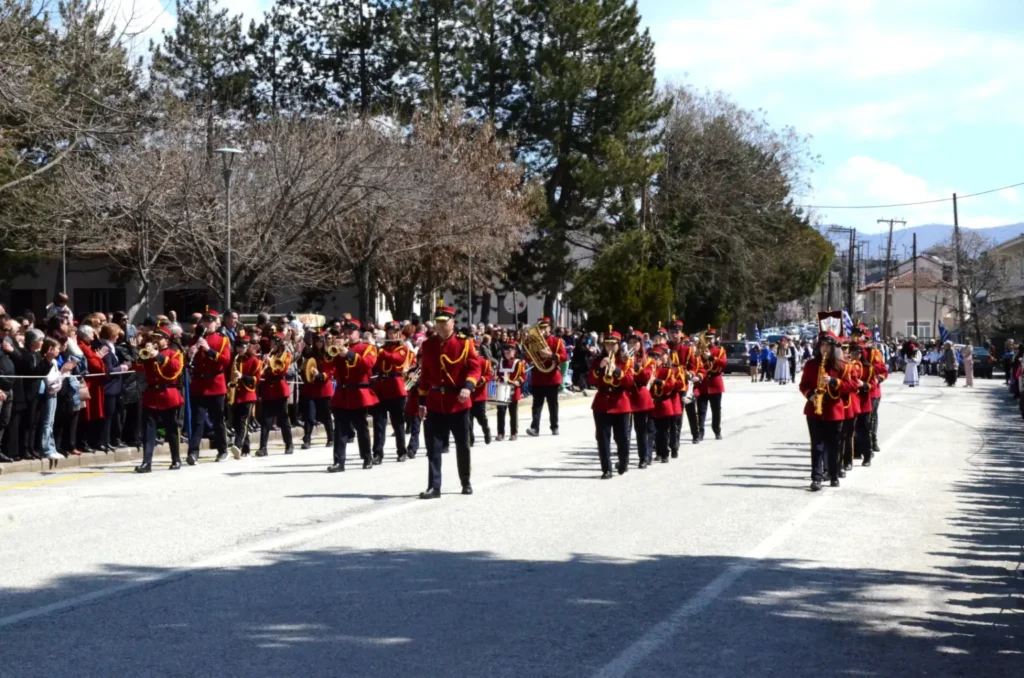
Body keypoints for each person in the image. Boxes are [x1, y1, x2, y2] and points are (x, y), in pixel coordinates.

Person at [416, 304, 482, 498]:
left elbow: (474, 369)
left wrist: (468, 387)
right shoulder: (428, 345)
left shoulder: (464, 343)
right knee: (433, 447)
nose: (440, 326)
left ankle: (465, 481)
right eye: (437, 322)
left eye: (444, 322)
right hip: (435, 401)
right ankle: (434, 486)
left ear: (452, 323)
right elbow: (426, 375)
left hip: (457, 402)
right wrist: (421, 402)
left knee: (462, 445)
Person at [799, 331, 859, 491]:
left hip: (834, 410)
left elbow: (853, 386)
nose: (824, 349)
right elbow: (803, 384)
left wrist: (834, 381)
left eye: (828, 346)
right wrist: (810, 395)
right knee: (817, 445)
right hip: (814, 410)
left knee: (834, 445)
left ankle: (833, 475)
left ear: (833, 348)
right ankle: (816, 478)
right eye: (822, 345)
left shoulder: (842, 366)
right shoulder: (811, 365)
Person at [325, 318, 378, 473]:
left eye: (350, 332)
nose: (347, 335)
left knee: (361, 427)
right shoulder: (339, 347)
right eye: (345, 332)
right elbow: (328, 367)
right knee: (340, 428)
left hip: (358, 392)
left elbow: (367, 364)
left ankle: (367, 457)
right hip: (342, 393)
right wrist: (330, 352)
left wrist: (348, 354)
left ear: (358, 333)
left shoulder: (367, 347)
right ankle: (339, 461)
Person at [134, 328, 184, 472]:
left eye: (159, 338)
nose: (155, 340)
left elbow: (175, 368)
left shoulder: (175, 353)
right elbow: (136, 366)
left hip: (168, 393)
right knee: (148, 431)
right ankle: (146, 462)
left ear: (166, 339)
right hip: (151, 394)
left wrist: (158, 356)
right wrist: (144, 354)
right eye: (154, 337)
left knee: (171, 429)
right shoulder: (148, 353)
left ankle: (176, 459)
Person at [185, 310, 232, 464]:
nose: (207, 324)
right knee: (197, 421)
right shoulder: (195, 339)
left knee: (217, 419)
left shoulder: (222, 340)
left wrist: (209, 350)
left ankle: (223, 450)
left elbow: (225, 361)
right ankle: (193, 453)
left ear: (216, 323)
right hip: (199, 384)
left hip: (216, 384)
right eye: (205, 321)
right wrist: (190, 353)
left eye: (210, 322)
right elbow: (188, 362)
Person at [588, 329, 634, 478]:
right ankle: (606, 469)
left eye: (613, 345)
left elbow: (629, 381)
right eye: (607, 345)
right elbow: (590, 380)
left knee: (622, 438)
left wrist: (617, 371)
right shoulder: (597, 360)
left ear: (619, 345)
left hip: (620, 401)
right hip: (602, 402)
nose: (609, 348)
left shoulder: (626, 360)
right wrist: (599, 368)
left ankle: (623, 462)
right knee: (602, 438)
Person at [371, 322, 413, 462]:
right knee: (379, 423)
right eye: (389, 333)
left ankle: (402, 451)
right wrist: (372, 347)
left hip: (395, 388)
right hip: (381, 387)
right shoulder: (381, 348)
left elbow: (396, 359)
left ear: (399, 334)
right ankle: (377, 453)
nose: (392, 335)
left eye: (394, 333)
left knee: (398, 422)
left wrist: (381, 351)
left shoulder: (403, 348)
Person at [525, 317, 568, 437]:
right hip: (538, 377)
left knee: (553, 404)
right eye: (541, 328)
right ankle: (535, 428)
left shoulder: (557, 341)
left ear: (550, 328)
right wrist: (530, 349)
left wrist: (551, 355)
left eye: (545, 327)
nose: (543, 330)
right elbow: (528, 358)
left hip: (552, 377)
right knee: (536, 405)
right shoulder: (533, 342)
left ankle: (554, 426)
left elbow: (564, 357)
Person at [257, 333, 294, 457]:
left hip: (279, 389)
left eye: (274, 342)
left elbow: (282, 370)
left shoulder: (286, 355)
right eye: (271, 342)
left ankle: (289, 444)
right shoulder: (268, 355)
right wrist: (263, 363)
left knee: (283, 419)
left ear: (279, 343)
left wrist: (271, 363)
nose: (271, 345)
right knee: (265, 420)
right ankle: (263, 447)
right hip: (268, 389)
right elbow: (262, 373)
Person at [299, 332, 335, 450]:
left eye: (320, 341)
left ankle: (331, 438)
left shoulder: (328, 354)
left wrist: (321, 375)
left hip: (324, 388)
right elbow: (304, 366)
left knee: (326, 415)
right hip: (311, 388)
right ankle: (307, 439)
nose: (319, 343)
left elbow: (331, 369)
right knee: (309, 415)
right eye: (317, 341)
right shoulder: (309, 354)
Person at [626, 331, 655, 468]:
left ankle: (643, 457)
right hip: (626, 396)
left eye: (635, 343)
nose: (632, 345)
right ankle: (624, 458)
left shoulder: (648, 360)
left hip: (640, 397)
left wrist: (635, 366)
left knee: (641, 430)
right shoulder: (623, 358)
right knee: (624, 431)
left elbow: (646, 376)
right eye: (630, 342)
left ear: (641, 344)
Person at [229, 336, 261, 458]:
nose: (240, 349)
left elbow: (256, 379)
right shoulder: (235, 359)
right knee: (238, 422)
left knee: (243, 421)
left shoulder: (254, 360)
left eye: (242, 347)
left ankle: (238, 445)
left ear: (247, 347)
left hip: (248, 394)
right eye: (238, 346)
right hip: (235, 394)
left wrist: (242, 376)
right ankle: (246, 448)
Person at [648, 346, 680, 463]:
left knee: (663, 430)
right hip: (652, 403)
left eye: (656, 357)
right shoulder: (648, 370)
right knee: (653, 430)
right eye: (652, 357)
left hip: (663, 403)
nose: (654, 359)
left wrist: (657, 381)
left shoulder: (667, 370)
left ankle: (665, 452)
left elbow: (670, 386)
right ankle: (657, 452)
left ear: (661, 359)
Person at [694, 329, 727, 441]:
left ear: (715, 338)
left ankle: (717, 430)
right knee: (701, 410)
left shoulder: (720, 350)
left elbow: (723, 363)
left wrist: (711, 357)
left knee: (716, 410)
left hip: (715, 382)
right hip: (703, 383)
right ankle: (700, 432)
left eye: (711, 338)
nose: (709, 340)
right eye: (707, 338)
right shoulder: (700, 350)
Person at [495, 342, 525, 441]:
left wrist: (517, 381)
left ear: (514, 352)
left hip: (513, 390)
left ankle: (513, 433)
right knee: (501, 412)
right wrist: (497, 378)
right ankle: (500, 433)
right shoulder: (500, 362)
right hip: (502, 389)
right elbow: (498, 374)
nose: (507, 352)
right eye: (506, 350)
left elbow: (522, 376)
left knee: (513, 412)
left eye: (510, 350)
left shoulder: (518, 363)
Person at [468, 332, 493, 446]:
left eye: (475, 349)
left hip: (479, 395)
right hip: (467, 395)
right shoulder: (465, 361)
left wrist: (482, 379)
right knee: (468, 420)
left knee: (481, 418)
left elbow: (489, 375)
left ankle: (486, 429)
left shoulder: (484, 362)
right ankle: (470, 438)